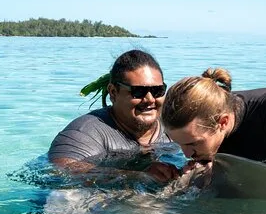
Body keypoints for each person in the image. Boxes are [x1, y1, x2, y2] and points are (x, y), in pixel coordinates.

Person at [161, 68, 266, 177]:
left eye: (192, 144)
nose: (186, 154)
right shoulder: (200, 134)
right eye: (179, 143)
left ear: (222, 123)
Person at [48, 49, 179, 182]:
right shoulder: (86, 131)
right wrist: (137, 176)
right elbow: (59, 170)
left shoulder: (175, 123)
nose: (150, 99)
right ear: (113, 92)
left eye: (157, 90)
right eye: (138, 91)